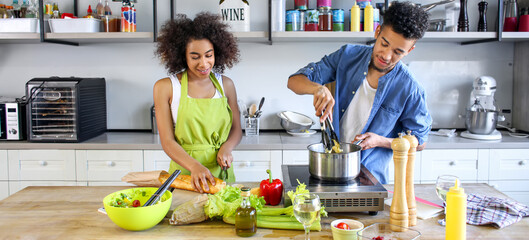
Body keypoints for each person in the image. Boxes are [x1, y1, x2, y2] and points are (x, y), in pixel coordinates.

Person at [287, 2, 432, 184]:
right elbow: (294, 81)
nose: (386, 56)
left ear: (409, 50)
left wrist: (380, 141)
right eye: (384, 44)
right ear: (377, 32)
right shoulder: (347, 55)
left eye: (398, 52)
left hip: (372, 179)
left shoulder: (410, 88)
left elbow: (420, 141)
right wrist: (318, 88)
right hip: (332, 169)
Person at [153, 12, 242, 192]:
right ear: (182, 56)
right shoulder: (166, 87)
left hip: (221, 172)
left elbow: (236, 129)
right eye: (195, 57)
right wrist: (194, 166)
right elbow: (167, 141)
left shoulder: (226, 85)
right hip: (184, 173)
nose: (204, 63)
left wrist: (227, 148)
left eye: (208, 55)